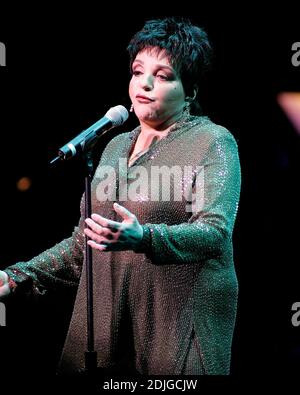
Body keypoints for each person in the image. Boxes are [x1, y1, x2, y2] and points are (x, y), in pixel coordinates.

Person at [0, 17, 241, 375]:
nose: (144, 83)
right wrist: (18, 276)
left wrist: (142, 237)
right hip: (108, 322)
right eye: (138, 71)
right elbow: (85, 243)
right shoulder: (113, 146)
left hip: (175, 324)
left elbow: (215, 234)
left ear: (189, 91)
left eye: (162, 75)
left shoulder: (213, 142)